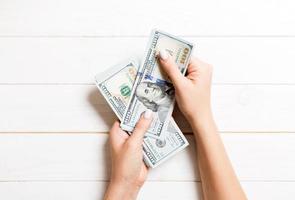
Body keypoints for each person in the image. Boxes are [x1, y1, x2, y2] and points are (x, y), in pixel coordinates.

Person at [103, 50, 247, 200]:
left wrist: (125, 185)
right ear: (147, 101)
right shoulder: (157, 115)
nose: (151, 88)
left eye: (148, 85)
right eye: (146, 90)